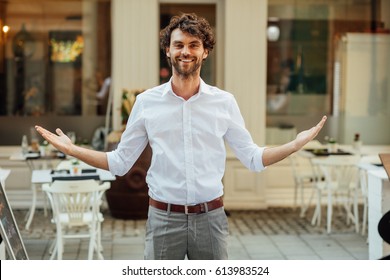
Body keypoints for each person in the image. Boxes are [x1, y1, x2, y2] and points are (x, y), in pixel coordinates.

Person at [35, 13, 327, 260]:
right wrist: (74, 151)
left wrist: (295, 144)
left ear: (205, 51)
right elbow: (121, 162)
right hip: (163, 220)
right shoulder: (146, 102)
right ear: (167, 50)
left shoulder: (224, 102)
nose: (185, 51)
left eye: (193, 45)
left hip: (211, 219)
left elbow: (252, 158)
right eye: (178, 45)